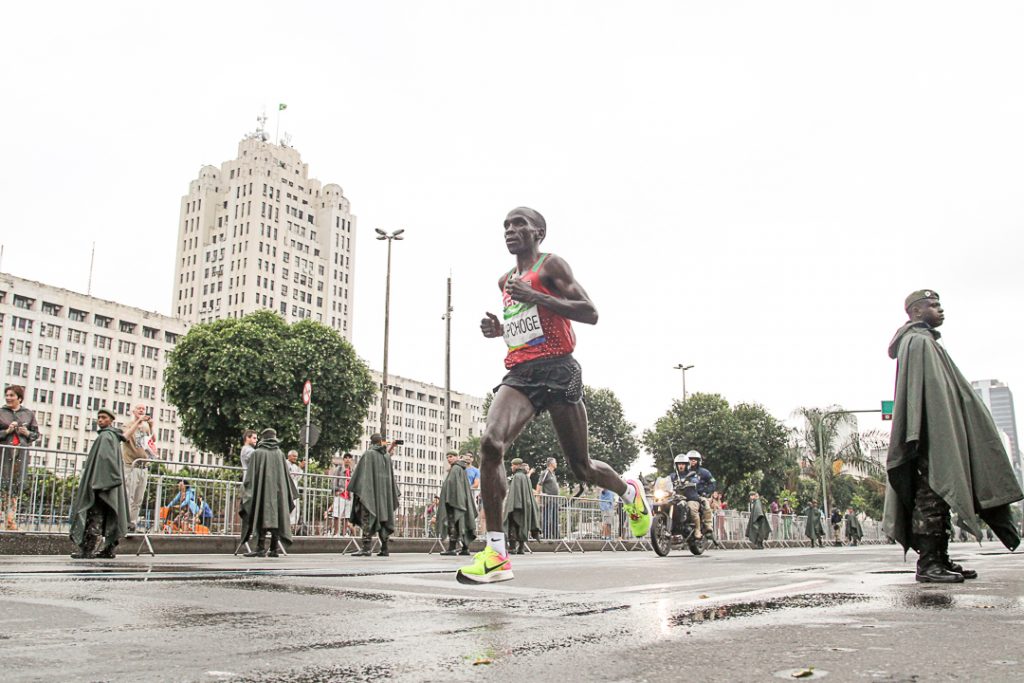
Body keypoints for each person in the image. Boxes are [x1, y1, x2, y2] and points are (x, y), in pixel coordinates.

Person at [458, 207, 651, 585]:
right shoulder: (505, 280)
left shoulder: (551, 267)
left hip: (560, 370)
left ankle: (629, 492)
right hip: (522, 374)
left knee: (581, 467)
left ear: (538, 232)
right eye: (506, 226)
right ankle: (496, 553)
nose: (511, 230)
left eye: (519, 224)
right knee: (490, 443)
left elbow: (589, 312)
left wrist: (538, 295)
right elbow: (525, 327)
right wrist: (500, 329)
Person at [882, 290, 1022, 583]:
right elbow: (924, 399)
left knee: (940, 498)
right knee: (931, 498)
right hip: (928, 441)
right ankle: (929, 563)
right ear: (916, 311)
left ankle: (941, 557)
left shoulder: (926, 342)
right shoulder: (918, 342)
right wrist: (926, 437)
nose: (940, 310)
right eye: (933, 305)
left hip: (935, 437)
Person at [68, 408, 129, 559]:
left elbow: (105, 460)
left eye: (103, 418)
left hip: (102, 484)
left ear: (110, 420)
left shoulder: (107, 436)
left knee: (95, 515)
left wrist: (98, 484)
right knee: (108, 514)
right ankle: (108, 549)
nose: (100, 420)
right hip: (106, 483)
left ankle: (88, 550)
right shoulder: (111, 436)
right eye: (99, 418)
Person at [239, 428, 297, 558]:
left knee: (260, 516)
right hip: (278, 494)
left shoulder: (257, 454)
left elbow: (250, 478)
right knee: (277, 517)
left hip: (262, 493)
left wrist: (245, 492)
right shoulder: (280, 454)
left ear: (263, 438)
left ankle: (260, 548)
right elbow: (286, 477)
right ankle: (274, 549)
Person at [348, 433, 400, 557]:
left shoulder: (369, 454)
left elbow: (361, 475)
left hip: (370, 493)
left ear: (371, 442)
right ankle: (385, 548)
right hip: (384, 496)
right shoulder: (386, 456)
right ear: (381, 442)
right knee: (383, 519)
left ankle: (366, 548)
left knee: (368, 517)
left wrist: (359, 491)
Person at [1, 385, 40, 530]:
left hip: (20, 454)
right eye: (7, 395)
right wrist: (7, 431)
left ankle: (10, 521)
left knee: (15, 486)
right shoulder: (1, 412)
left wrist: (27, 433)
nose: (8, 398)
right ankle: (5, 519)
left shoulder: (28, 414)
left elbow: (36, 434)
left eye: (12, 395)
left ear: (19, 398)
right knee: (3, 484)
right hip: (3, 455)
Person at [121, 403, 157, 531]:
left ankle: (133, 523)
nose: (142, 410)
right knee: (128, 496)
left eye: (144, 409)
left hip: (143, 466)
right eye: (139, 408)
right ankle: (124, 523)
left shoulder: (145, 427)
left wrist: (151, 426)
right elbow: (125, 437)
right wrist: (138, 422)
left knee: (138, 498)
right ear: (133, 411)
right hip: (131, 465)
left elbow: (152, 441)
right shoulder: (128, 425)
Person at [669, 451, 716, 540]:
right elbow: (666, 481)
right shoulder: (673, 475)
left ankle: (704, 527)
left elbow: (711, 483)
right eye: (691, 459)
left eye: (695, 459)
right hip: (678, 497)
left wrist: (706, 492)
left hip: (695, 495)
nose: (693, 461)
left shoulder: (700, 473)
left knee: (699, 506)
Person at [438, 450, 477, 555]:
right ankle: (465, 548)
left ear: (456, 457)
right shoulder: (461, 468)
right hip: (461, 501)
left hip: (454, 501)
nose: (449, 459)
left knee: (453, 523)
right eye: (447, 457)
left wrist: (448, 499)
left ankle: (451, 548)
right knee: (461, 523)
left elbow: (451, 485)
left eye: (451, 456)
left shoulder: (455, 468)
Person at [504, 458, 541, 554]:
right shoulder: (525, 477)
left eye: (512, 465)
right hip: (525, 506)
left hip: (517, 506)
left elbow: (515, 494)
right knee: (522, 526)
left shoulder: (517, 476)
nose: (511, 467)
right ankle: (521, 548)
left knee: (513, 525)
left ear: (516, 465)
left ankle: (512, 548)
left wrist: (513, 506)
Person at [535, 457, 561, 540]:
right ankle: (546, 535)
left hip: (555, 500)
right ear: (551, 464)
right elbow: (539, 484)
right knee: (547, 518)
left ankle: (556, 536)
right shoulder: (545, 472)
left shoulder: (553, 474)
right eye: (555, 462)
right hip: (548, 500)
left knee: (555, 519)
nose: (556, 464)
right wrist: (538, 496)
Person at [331, 454, 354, 536]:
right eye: (346, 458)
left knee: (346, 516)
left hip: (349, 495)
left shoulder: (352, 471)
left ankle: (344, 533)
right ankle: (336, 532)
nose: (347, 460)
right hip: (340, 493)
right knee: (337, 514)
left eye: (349, 458)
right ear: (343, 459)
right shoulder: (339, 469)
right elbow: (334, 480)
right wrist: (336, 490)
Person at [286, 450, 305, 530]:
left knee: (295, 509)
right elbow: (291, 476)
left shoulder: (294, 466)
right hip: (288, 489)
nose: (295, 458)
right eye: (294, 456)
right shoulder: (285, 463)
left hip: (294, 490)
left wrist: (300, 468)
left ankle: (292, 527)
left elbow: (298, 478)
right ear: (289, 456)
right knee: (289, 508)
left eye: (296, 456)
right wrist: (300, 468)